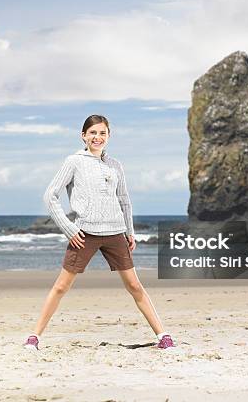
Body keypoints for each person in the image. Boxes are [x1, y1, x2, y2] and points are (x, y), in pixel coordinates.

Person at [23, 114, 175, 350]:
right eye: (93, 132)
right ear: (83, 136)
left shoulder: (115, 165)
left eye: (102, 133)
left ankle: (163, 336)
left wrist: (130, 231)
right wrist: (68, 228)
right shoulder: (74, 161)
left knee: (135, 286)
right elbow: (50, 196)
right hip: (85, 233)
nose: (97, 137)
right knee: (61, 286)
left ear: (108, 136)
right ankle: (34, 337)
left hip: (116, 233)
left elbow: (124, 200)